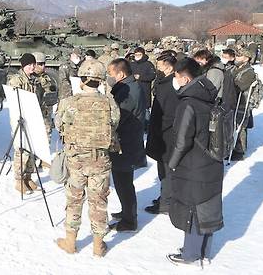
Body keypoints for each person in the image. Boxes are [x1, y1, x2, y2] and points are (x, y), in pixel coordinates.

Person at [54, 59, 120, 257]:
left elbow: (59, 125)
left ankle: (70, 241)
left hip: (76, 160)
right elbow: (114, 124)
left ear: (81, 79)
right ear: (100, 81)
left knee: (74, 199)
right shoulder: (110, 102)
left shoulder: (69, 103)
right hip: (100, 159)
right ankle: (98, 245)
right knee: (99, 201)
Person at [167, 57, 223, 267]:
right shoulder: (210, 97)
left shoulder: (188, 103)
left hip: (193, 166)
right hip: (212, 162)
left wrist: (172, 163)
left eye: (176, 76)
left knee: (193, 209)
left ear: (185, 78)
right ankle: (205, 253)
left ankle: (190, 254)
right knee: (207, 206)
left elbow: (182, 141)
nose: (175, 81)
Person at [106, 58, 146, 232]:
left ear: (121, 74)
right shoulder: (127, 87)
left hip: (126, 143)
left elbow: (120, 117)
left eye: (111, 74)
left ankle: (130, 221)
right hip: (125, 141)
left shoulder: (128, 91)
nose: (110, 78)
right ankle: (126, 212)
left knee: (124, 183)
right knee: (122, 182)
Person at [145, 53, 179, 215]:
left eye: (160, 65)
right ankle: (165, 196)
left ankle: (166, 202)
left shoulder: (171, 85)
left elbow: (170, 113)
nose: (157, 68)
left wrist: (159, 129)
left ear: (169, 66)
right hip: (162, 132)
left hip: (166, 134)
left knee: (166, 170)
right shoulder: (164, 82)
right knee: (163, 168)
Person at [7, 53, 40, 194]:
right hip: (20, 119)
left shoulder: (34, 79)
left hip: (31, 117)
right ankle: (18, 180)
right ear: (23, 66)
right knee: (21, 149)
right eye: (29, 65)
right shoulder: (16, 80)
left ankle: (28, 176)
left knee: (32, 149)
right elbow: (13, 100)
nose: (32, 67)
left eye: (33, 64)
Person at [231, 47, 258, 161]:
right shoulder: (236, 68)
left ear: (246, 58)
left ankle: (239, 151)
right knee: (233, 124)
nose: (237, 58)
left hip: (242, 102)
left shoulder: (249, 72)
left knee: (240, 126)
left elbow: (239, 86)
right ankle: (233, 147)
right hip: (234, 101)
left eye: (239, 56)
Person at [32, 51, 57, 143]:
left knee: (46, 138)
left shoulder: (47, 77)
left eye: (43, 64)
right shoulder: (28, 79)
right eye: (40, 64)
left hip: (45, 113)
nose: (42, 66)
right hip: (33, 114)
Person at [129, 47, 156, 117]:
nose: (137, 56)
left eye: (139, 55)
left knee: (145, 113)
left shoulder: (148, 64)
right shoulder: (132, 64)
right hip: (133, 92)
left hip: (144, 91)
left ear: (143, 55)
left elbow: (152, 76)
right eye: (136, 55)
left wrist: (140, 77)